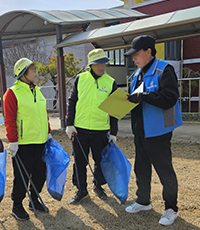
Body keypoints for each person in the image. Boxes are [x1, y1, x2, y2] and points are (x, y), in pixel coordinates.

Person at [124, 35, 183, 226]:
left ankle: (171, 208)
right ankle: (143, 201)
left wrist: (144, 96)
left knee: (164, 171)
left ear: (148, 51)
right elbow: (137, 99)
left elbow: (169, 98)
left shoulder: (164, 69)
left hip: (158, 131)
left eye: (136, 54)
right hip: (140, 131)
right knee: (141, 168)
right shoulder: (137, 73)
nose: (133, 58)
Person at [66, 48, 118, 205]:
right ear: (91, 65)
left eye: (104, 63)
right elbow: (72, 101)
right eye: (99, 64)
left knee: (100, 161)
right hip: (79, 130)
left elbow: (114, 109)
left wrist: (113, 132)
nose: (102, 67)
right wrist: (69, 123)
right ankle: (81, 190)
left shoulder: (110, 82)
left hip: (100, 130)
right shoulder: (80, 79)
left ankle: (98, 186)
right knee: (80, 162)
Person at [4, 58, 52, 220]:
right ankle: (17, 205)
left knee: (40, 174)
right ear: (23, 73)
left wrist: (49, 131)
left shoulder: (37, 91)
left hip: (40, 141)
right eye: (33, 69)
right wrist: (13, 141)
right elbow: (9, 119)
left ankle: (34, 199)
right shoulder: (12, 92)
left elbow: (43, 114)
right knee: (22, 177)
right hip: (23, 144)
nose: (36, 72)